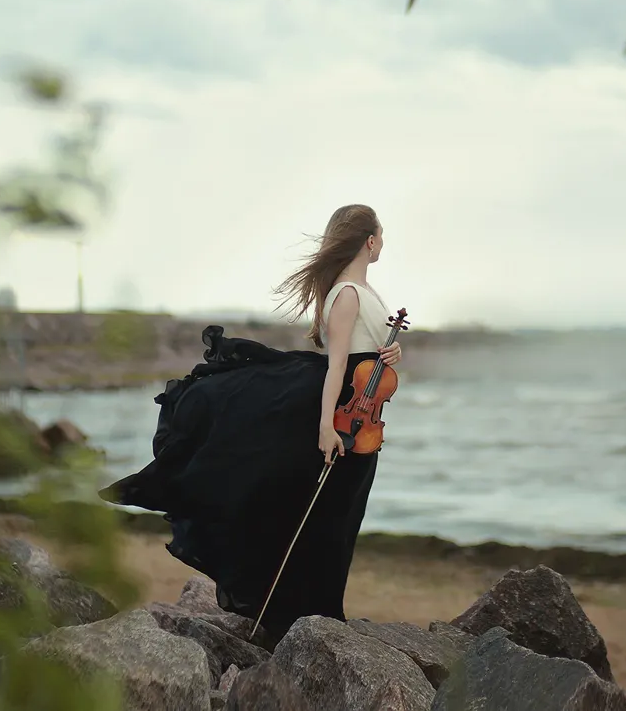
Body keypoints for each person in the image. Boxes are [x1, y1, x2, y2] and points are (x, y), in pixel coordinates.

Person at [100, 204, 403, 638]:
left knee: (341, 517)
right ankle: (309, 618)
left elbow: (370, 350)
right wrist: (325, 427)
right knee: (328, 519)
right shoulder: (347, 295)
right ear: (369, 241)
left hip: (364, 424)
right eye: (381, 235)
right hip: (342, 419)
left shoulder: (367, 293)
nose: (383, 243)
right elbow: (337, 365)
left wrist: (392, 354)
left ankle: (319, 614)